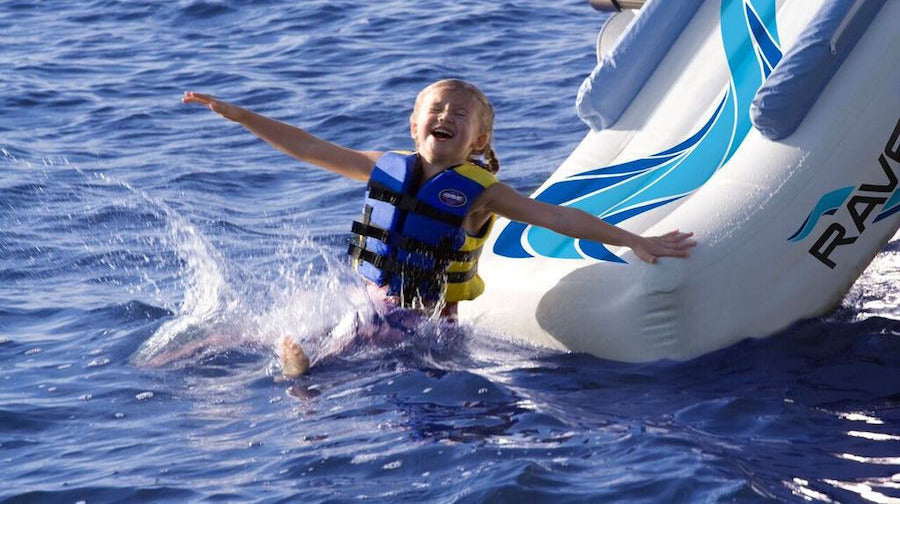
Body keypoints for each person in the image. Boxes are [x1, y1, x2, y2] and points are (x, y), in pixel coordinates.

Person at [183, 79, 696, 377]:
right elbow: (311, 147)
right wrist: (239, 115)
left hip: (425, 324)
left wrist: (635, 241)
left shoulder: (482, 193)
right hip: (369, 300)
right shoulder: (386, 167)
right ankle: (207, 347)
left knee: (342, 348)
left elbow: (560, 217)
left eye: (460, 115)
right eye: (436, 110)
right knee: (267, 333)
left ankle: (308, 380)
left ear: (478, 140)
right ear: (415, 125)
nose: (445, 116)